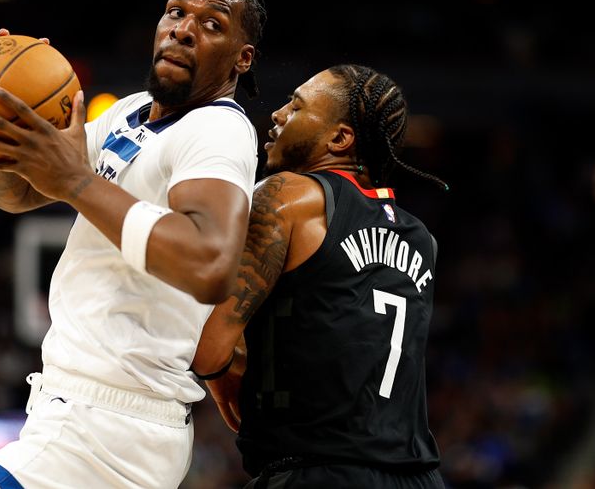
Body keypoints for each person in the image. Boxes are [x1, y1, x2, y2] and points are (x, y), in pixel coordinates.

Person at [0, 0, 266, 489]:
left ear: (242, 57)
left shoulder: (218, 128)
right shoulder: (130, 113)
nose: (183, 29)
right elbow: (19, 194)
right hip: (83, 413)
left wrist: (75, 181)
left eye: (212, 23)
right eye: (176, 12)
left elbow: (209, 262)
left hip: (110, 424)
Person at [192, 65, 447, 488]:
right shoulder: (423, 239)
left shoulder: (288, 195)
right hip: (419, 476)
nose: (276, 113)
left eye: (296, 105)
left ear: (339, 139)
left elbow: (208, 351)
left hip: (321, 473)